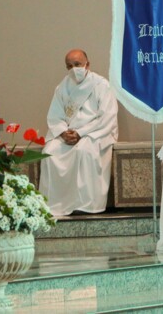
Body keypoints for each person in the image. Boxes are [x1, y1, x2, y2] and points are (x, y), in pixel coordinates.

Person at [38, 49, 118, 217]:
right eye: (69, 66)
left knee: (84, 151)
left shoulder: (101, 85)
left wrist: (81, 133)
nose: (74, 69)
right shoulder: (62, 87)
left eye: (77, 64)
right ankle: (55, 204)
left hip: (94, 132)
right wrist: (62, 132)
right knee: (49, 152)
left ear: (87, 64)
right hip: (68, 134)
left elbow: (107, 116)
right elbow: (55, 116)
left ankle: (85, 204)